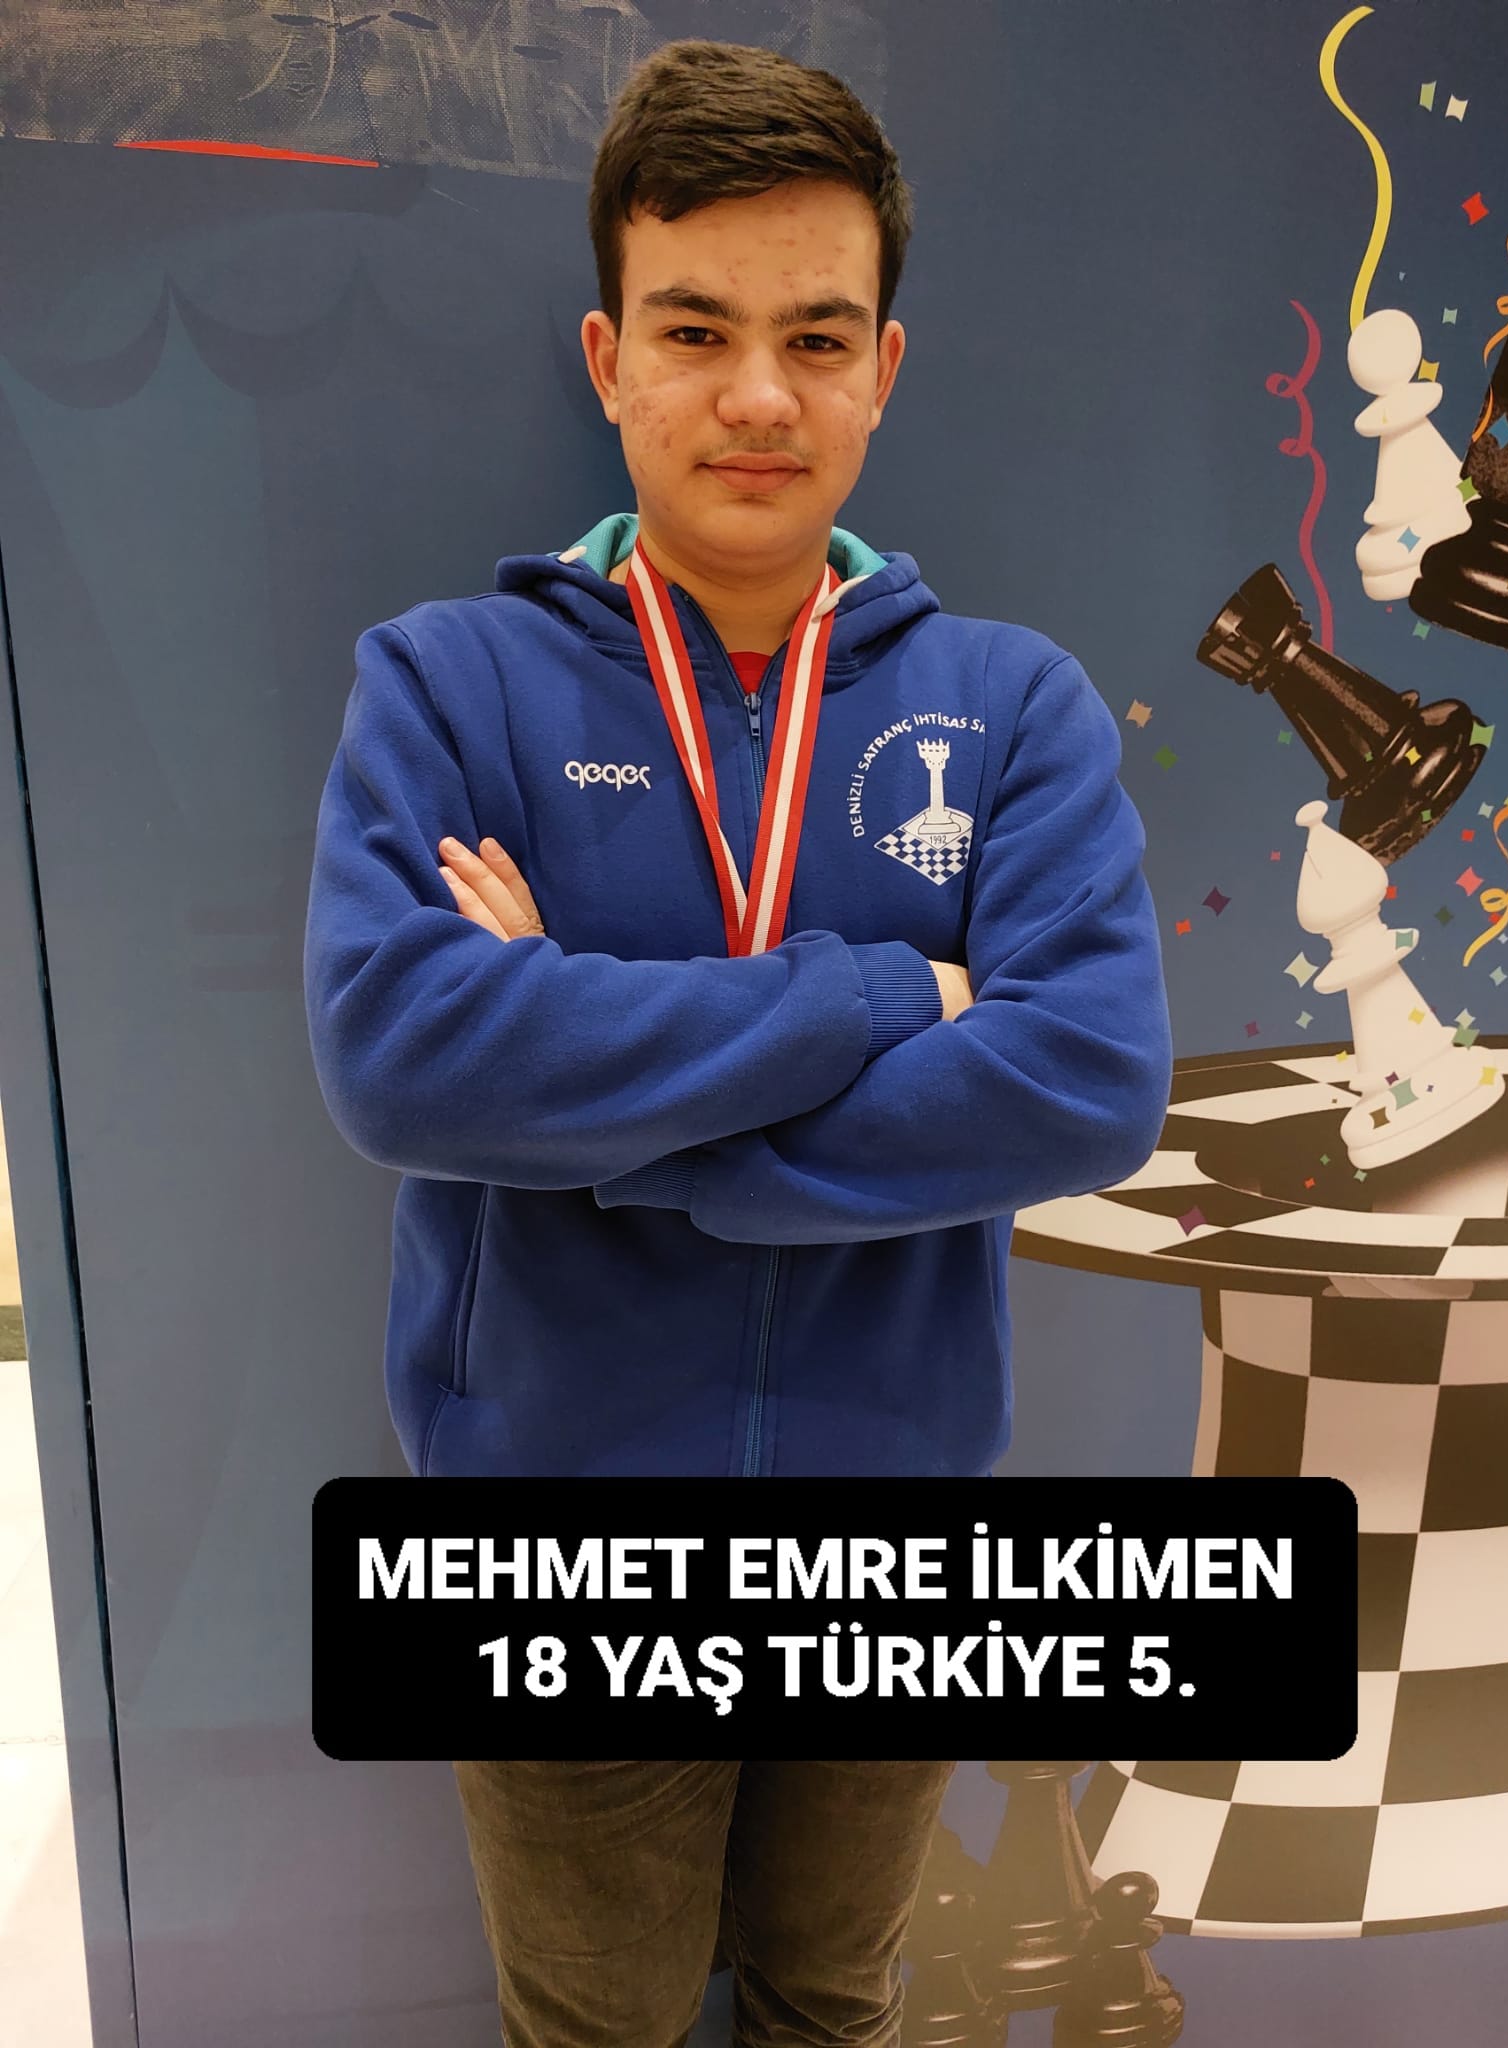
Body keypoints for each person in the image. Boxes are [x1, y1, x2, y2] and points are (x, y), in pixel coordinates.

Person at [303, 36, 1171, 2048]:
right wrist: (881, 998)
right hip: (557, 1543)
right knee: (594, 2027)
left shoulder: (1013, 705)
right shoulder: (449, 682)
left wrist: (595, 1106)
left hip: (895, 1527)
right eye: (697, 331)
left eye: (816, 336)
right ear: (608, 360)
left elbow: (1084, 1076)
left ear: (884, 367)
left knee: (831, 2003)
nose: (760, 395)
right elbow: (402, 1055)